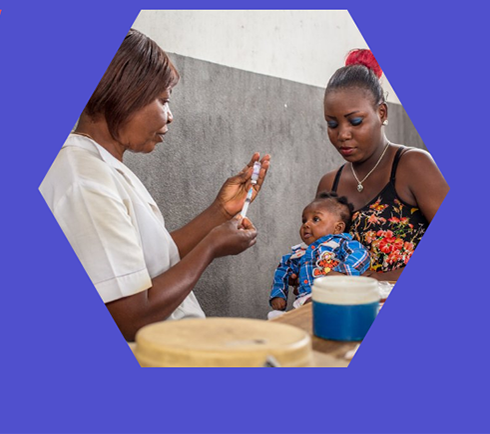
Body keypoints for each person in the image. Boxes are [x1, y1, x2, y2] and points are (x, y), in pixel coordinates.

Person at [40, 29, 270, 341]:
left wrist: (220, 211)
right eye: (163, 100)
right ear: (124, 94)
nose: (170, 116)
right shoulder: (82, 179)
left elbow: (154, 260)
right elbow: (130, 318)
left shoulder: (102, 165)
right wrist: (211, 247)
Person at [316, 49, 449, 281]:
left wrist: (374, 280)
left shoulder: (413, 166)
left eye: (355, 121)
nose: (343, 134)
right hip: (347, 303)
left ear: (381, 113)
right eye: (332, 124)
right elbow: (319, 252)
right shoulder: (330, 185)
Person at [269, 192, 370, 315]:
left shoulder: (341, 244)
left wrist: (343, 272)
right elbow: (282, 271)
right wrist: (278, 294)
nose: (306, 224)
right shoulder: (298, 253)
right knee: (289, 316)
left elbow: (361, 255)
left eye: (315, 219)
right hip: (305, 300)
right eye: (304, 220)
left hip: (337, 295)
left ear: (338, 228)